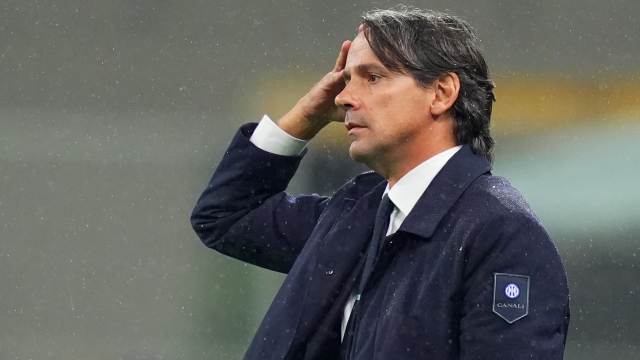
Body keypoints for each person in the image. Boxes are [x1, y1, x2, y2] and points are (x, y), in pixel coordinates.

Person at [191, 6, 570, 360]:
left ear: (441, 93)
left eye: (373, 78)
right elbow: (226, 216)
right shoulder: (356, 212)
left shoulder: (500, 233)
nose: (344, 97)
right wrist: (306, 116)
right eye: (346, 80)